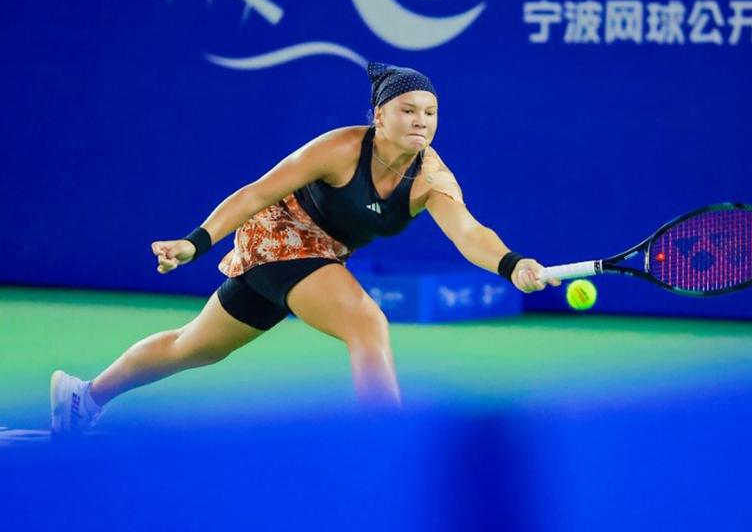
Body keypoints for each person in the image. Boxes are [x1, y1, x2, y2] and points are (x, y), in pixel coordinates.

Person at [50, 62, 560, 435]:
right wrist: (194, 242)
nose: (421, 121)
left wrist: (512, 265)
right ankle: (386, 444)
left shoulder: (431, 177)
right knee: (367, 324)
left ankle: (85, 397)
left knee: (195, 346)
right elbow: (256, 193)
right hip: (277, 236)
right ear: (380, 116)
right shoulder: (339, 148)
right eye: (408, 110)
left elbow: (469, 233)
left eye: (430, 112)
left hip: (322, 255)